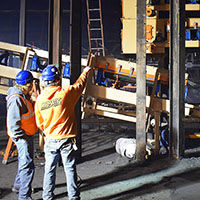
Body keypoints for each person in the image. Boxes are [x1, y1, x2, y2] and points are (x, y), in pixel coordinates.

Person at [35, 64, 92, 200]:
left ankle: (47, 196)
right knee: (70, 168)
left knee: (49, 169)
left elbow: (39, 122)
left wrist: (48, 130)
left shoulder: (40, 99)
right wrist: (85, 72)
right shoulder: (65, 94)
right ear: (58, 79)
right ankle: (73, 197)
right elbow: (79, 86)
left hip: (50, 138)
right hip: (66, 139)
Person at [6, 70, 38, 200]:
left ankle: (19, 186)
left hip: (26, 134)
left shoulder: (23, 96)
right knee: (27, 166)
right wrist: (21, 136)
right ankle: (24, 196)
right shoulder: (16, 99)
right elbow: (13, 124)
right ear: (27, 85)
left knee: (24, 162)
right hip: (22, 137)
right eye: (31, 85)